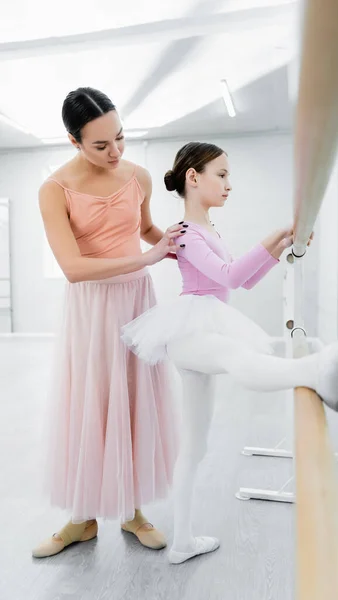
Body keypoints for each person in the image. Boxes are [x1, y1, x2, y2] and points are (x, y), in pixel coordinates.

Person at [121, 141, 338, 564]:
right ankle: (319, 368)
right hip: (193, 329)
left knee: (196, 444)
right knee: (238, 358)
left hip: (202, 326)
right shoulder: (187, 235)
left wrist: (281, 246)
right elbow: (227, 274)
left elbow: (240, 282)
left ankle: (183, 542)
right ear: (194, 177)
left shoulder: (209, 230)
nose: (229, 184)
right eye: (221, 174)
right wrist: (273, 235)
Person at [32, 87, 185, 559]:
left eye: (120, 137)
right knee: (93, 400)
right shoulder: (53, 189)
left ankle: (133, 512)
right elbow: (73, 268)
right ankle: (82, 519)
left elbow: (145, 232)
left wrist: (187, 246)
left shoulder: (138, 176)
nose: (115, 151)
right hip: (91, 308)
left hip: (138, 300)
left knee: (135, 398)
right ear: (73, 142)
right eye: (101, 145)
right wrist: (149, 255)